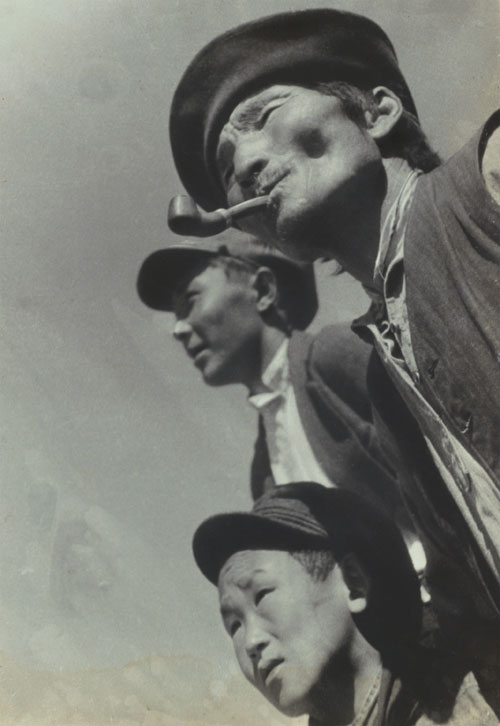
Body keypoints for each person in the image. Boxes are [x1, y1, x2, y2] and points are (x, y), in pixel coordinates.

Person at [166, 7, 500, 696]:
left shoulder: (486, 186)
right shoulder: (387, 374)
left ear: (377, 112)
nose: (246, 162)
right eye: (227, 167)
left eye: (263, 117)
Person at [136, 231, 410, 528]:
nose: (177, 329)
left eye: (190, 300)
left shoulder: (334, 357)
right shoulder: (264, 472)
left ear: (264, 290)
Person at [192, 483, 497, 726]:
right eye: (234, 625)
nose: (251, 642)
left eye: (261, 595)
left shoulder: (475, 696)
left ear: (354, 582)